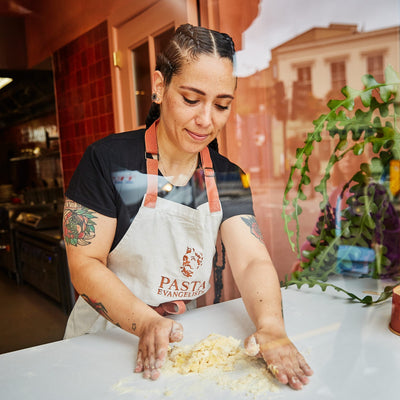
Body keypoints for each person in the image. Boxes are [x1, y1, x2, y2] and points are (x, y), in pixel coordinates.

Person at [63, 23, 313, 390]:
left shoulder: (227, 177)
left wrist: (272, 326)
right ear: (160, 87)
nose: (206, 120)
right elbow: (84, 264)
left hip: (180, 335)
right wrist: (145, 321)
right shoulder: (109, 162)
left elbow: (251, 260)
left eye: (222, 105)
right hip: (107, 334)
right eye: (192, 99)